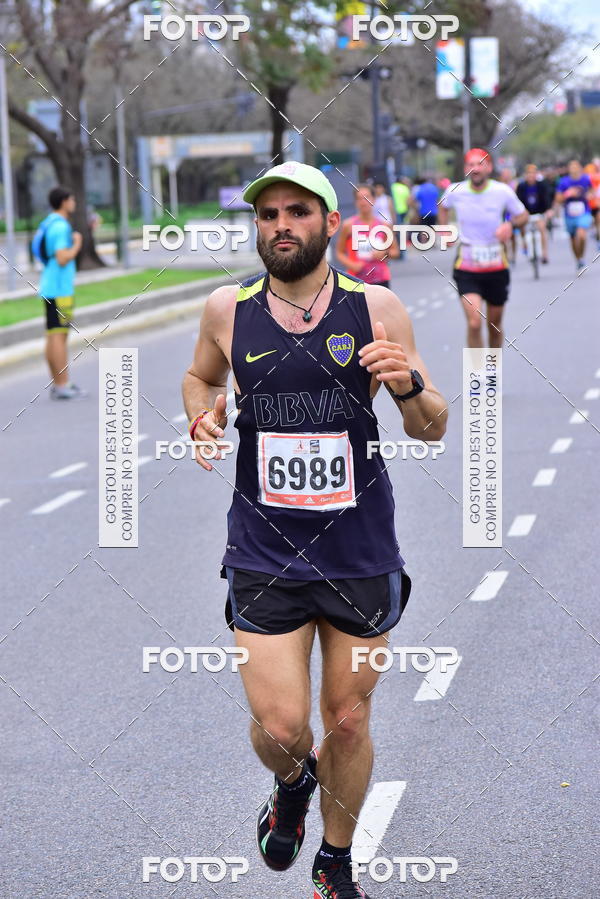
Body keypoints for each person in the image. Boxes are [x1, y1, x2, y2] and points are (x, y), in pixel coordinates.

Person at [182, 161, 447, 899]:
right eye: (268, 215)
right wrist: (200, 410)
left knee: (349, 724)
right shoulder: (227, 310)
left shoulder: (377, 308)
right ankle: (293, 784)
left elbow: (432, 429)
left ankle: (334, 859)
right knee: (280, 727)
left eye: (298, 212)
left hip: (359, 549)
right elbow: (200, 376)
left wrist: (410, 384)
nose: (281, 226)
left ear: (330, 223)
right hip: (264, 550)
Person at [438, 148, 528, 348]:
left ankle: (492, 372)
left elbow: (523, 215)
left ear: (489, 167)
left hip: (496, 264)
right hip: (467, 266)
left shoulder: (502, 191)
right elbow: (442, 206)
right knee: (475, 322)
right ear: (465, 169)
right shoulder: (455, 190)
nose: (475, 169)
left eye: (480, 164)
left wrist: (510, 225)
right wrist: (444, 230)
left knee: (494, 325)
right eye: (471, 164)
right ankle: (476, 374)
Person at [37, 186, 84, 399]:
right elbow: (62, 257)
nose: (73, 202)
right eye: (71, 199)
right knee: (59, 335)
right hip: (60, 289)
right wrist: (77, 244)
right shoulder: (60, 226)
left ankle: (58, 383)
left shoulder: (48, 222)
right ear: (64, 202)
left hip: (51, 286)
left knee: (52, 334)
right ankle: (63, 384)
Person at [336, 183, 398, 287]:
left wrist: (384, 252)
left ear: (374, 200)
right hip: (356, 280)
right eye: (359, 199)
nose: (363, 202)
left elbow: (395, 251)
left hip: (381, 278)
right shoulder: (348, 225)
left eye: (367, 197)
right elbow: (339, 252)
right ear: (356, 202)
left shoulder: (384, 226)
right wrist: (352, 265)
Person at [555, 159, 593, 270]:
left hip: (584, 212)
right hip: (569, 214)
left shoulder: (585, 179)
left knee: (581, 235)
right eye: (572, 167)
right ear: (569, 169)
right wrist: (568, 194)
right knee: (572, 239)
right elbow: (558, 198)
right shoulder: (564, 182)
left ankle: (581, 257)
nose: (574, 169)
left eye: (576, 167)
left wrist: (589, 195)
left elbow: (591, 191)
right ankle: (578, 259)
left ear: (580, 168)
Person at [516, 164, 553, 264]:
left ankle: (544, 253)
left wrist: (548, 210)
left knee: (542, 228)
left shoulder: (541, 185)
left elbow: (547, 198)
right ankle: (525, 244)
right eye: (529, 174)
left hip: (539, 212)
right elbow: (517, 201)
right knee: (522, 226)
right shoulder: (521, 186)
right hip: (526, 213)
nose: (531, 176)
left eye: (533, 174)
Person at [390, 176, 411, 259]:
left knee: (394, 231)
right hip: (403, 211)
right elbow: (408, 200)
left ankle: (395, 250)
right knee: (403, 230)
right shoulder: (404, 188)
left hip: (394, 212)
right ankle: (403, 250)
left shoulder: (392, 187)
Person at [584, 161, 600, 250]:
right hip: (590, 203)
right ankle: (596, 235)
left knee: (598, 220)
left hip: (598, 203)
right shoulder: (588, 176)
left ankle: (599, 239)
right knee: (594, 221)